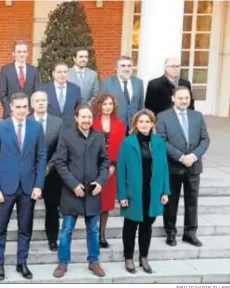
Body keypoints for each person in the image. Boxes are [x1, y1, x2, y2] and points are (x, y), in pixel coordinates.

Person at [0, 92, 46, 280]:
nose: (22, 110)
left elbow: (41, 157)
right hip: (5, 186)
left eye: (24, 107)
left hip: (28, 186)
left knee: (25, 227)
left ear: (28, 108)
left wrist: (39, 185)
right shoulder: (0, 127)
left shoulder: (36, 128)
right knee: (1, 227)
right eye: (18, 107)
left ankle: (22, 263)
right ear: (11, 107)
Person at [53, 104, 110, 278]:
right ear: (76, 118)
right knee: (67, 230)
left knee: (93, 229)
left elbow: (105, 162)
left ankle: (94, 261)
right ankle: (63, 262)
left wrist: (101, 181)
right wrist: (73, 185)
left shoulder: (98, 136)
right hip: (72, 192)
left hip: (92, 192)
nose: (86, 120)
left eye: (89, 117)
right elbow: (60, 163)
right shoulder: (66, 136)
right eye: (83, 117)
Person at [117, 109, 170, 274]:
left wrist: (165, 191)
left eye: (147, 122)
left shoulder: (159, 143)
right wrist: (122, 195)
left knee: (147, 226)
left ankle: (143, 257)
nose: (144, 125)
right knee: (130, 227)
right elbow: (121, 171)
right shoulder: (128, 142)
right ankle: (128, 257)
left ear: (152, 124)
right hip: (133, 192)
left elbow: (164, 168)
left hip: (152, 192)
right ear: (135, 124)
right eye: (141, 122)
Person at [156, 86, 210, 247]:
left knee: (192, 201)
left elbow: (205, 140)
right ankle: (170, 233)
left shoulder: (197, 116)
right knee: (171, 202)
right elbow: (161, 140)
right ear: (173, 99)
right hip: (173, 166)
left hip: (193, 166)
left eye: (186, 98)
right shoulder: (163, 117)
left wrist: (193, 156)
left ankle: (190, 233)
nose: (184, 101)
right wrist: (180, 157)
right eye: (180, 98)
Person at [29, 91, 63, 251]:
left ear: (47, 102)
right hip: (29, 172)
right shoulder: (25, 121)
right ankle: (26, 237)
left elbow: (61, 149)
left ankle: (52, 238)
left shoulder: (58, 123)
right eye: (37, 100)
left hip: (52, 172)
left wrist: (49, 167)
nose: (40, 103)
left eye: (43, 100)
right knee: (27, 207)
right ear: (32, 103)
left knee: (52, 207)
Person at [90, 93, 126, 247]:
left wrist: (113, 165)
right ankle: (92, 234)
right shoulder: (92, 122)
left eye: (110, 104)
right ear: (99, 105)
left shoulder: (119, 124)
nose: (108, 107)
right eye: (104, 104)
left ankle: (102, 235)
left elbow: (121, 149)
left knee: (106, 204)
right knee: (93, 203)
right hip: (93, 168)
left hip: (111, 170)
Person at [99, 55, 144, 131]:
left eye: (129, 66)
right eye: (123, 66)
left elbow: (141, 105)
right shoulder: (106, 83)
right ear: (116, 68)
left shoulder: (138, 82)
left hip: (133, 128)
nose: (126, 68)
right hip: (113, 127)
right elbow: (100, 106)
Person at [0, 40, 41, 119]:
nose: (22, 54)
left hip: (29, 115)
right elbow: (3, 95)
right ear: (13, 54)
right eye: (19, 52)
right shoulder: (5, 70)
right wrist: (12, 111)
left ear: (27, 53)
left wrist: (29, 111)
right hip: (10, 115)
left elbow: (36, 94)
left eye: (24, 52)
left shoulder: (34, 70)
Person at [41, 61, 82, 129]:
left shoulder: (75, 89)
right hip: (50, 128)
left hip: (70, 128)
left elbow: (78, 109)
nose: (62, 74)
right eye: (59, 72)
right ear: (53, 73)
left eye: (65, 72)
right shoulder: (44, 89)